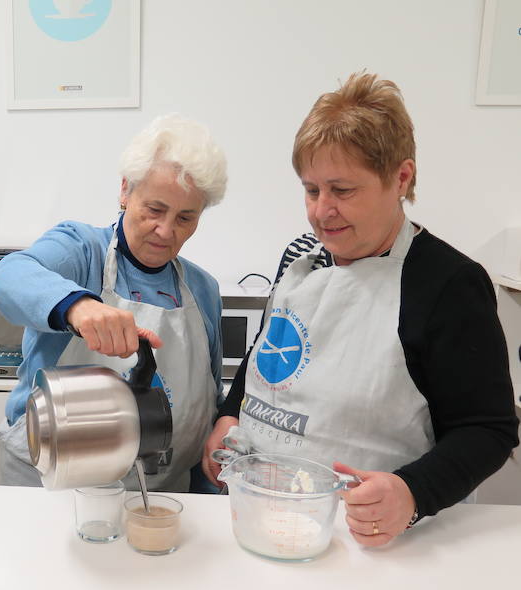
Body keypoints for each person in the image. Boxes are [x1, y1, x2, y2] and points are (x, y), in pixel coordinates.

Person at [203, 72, 519, 545]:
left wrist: (412, 492)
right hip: (263, 512)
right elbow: (271, 352)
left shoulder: (449, 284)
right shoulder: (300, 258)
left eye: (342, 191)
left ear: (401, 178)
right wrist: (230, 414)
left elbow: (488, 429)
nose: (321, 211)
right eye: (311, 190)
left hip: (367, 534)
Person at [0, 114, 229, 492]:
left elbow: (206, 409)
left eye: (185, 217)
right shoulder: (80, 252)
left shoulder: (203, 290)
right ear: (125, 190)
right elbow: (9, 276)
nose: (166, 231)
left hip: (157, 494)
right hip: (49, 484)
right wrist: (78, 307)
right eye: (154, 209)